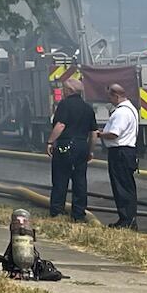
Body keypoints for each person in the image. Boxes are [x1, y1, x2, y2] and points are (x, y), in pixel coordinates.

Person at [46, 78, 96, 221]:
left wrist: (50, 141)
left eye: (63, 89)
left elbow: (60, 125)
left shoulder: (64, 105)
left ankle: (57, 212)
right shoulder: (88, 108)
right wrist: (90, 151)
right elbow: (93, 133)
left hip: (65, 145)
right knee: (80, 180)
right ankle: (79, 214)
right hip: (82, 146)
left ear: (69, 90)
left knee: (60, 179)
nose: (62, 91)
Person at [96, 83, 140, 230]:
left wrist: (100, 134)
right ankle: (128, 218)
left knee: (121, 187)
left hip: (120, 152)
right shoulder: (130, 109)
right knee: (127, 186)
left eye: (110, 96)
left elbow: (115, 133)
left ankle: (126, 220)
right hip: (127, 152)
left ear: (116, 95)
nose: (109, 100)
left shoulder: (121, 112)